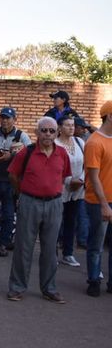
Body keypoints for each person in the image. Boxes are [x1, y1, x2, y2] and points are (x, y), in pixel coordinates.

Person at [7, 117, 71, 304]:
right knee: (23, 247)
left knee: (50, 249)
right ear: (37, 133)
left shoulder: (62, 153)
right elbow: (13, 175)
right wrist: (24, 194)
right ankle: (17, 288)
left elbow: (63, 177)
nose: (48, 134)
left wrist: (51, 192)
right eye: (44, 130)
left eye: (52, 131)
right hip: (29, 202)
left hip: (54, 204)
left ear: (57, 133)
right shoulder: (26, 153)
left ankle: (49, 289)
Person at [0, 107, 31, 257]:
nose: (5, 120)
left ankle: (4, 244)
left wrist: (12, 156)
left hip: (11, 181)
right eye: (2, 117)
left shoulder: (22, 136)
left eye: (8, 118)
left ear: (15, 119)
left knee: (9, 214)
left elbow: (30, 156)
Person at [84, 101, 112, 297]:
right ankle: (94, 280)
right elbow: (93, 178)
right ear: (109, 116)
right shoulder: (94, 142)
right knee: (96, 244)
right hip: (98, 202)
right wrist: (104, 205)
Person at [55, 116, 85, 267]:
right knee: (56, 222)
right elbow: (55, 167)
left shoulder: (80, 142)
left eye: (73, 125)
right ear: (60, 127)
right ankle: (52, 254)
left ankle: (68, 253)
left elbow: (88, 163)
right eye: (67, 125)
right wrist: (69, 181)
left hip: (78, 189)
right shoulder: (55, 144)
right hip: (60, 189)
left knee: (71, 222)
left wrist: (81, 180)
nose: (71, 128)